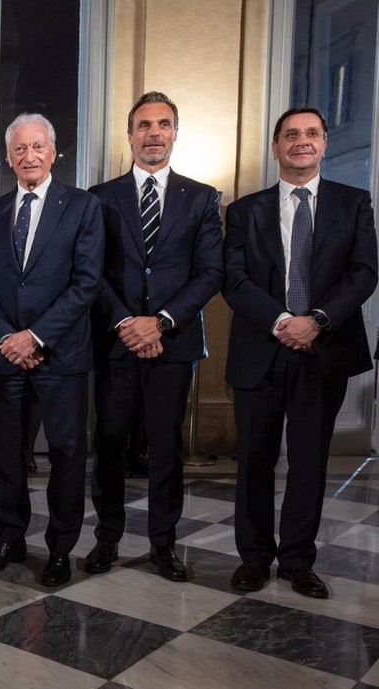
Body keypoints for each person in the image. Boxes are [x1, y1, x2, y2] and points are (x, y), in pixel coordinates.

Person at [223, 107, 377, 599]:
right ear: (276, 147)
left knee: (309, 462)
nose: (301, 141)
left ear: (324, 143)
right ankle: (253, 557)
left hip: (323, 351)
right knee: (254, 460)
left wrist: (318, 321)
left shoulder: (353, 203)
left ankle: (297, 560)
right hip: (261, 351)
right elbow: (234, 280)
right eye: (291, 134)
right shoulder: (244, 211)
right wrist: (281, 322)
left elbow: (364, 272)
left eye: (312, 133)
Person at [86, 92, 224, 581]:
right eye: (144, 125)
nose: (153, 133)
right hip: (116, 341)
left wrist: (161, 321)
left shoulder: (202, 198)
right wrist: (127, 323)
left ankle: (163, 544)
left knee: (166, 448)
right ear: (130, 135)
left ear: (175, 133)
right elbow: (90, 271)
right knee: (109, 444)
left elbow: (210, 273)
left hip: (173, 343)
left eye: (163, 124)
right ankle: (107, 538)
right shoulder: (99, 198)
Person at [0, 113, 104, 586]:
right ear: (8, 158)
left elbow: (86, 282)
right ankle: (10, 539)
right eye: (20, 149)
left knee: (66, 455)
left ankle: (60, 549)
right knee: (8, 456)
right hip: (7, 357)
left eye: (37, 147)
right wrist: (8, 338)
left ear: (53, 152)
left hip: (61, 357)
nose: (29, 156)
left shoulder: (83, 207)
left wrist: (36, 336)